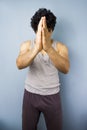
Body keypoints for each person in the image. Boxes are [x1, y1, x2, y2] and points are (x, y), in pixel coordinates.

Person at [16, 8, 70, 130]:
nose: (43, 33)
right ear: (35, 29)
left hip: (52, 96)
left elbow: (66, 69)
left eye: (47, 31)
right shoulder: (27, 45)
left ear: (52, 30)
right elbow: (19, 64)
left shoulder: (60, 47)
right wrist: (37, 48)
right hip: (30, 95)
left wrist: (48, 48)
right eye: (40, 31)